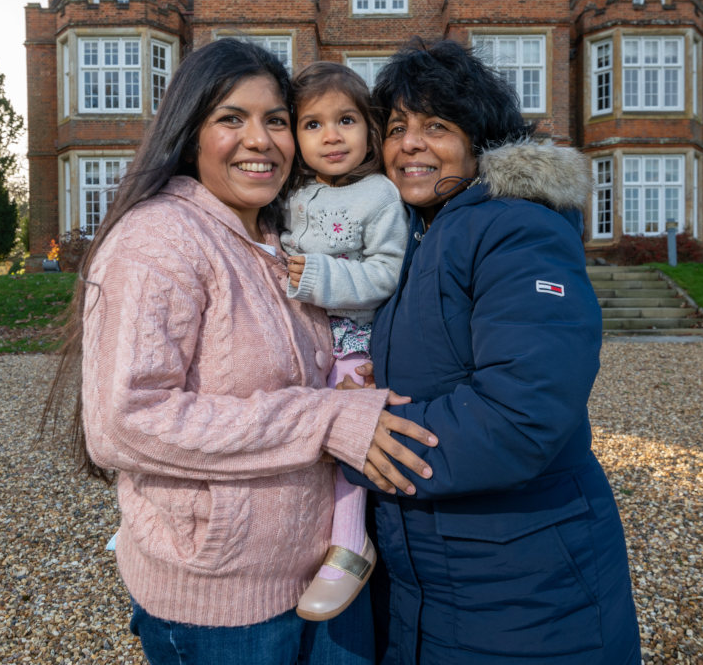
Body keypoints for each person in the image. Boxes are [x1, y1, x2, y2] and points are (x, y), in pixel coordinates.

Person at [41, 38, 438, 665]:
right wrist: (328, 418)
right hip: (223, 601)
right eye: (232, 118)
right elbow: (125, 423)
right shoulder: (159, 240)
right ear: (189, 130)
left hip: (326, 572)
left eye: (275, 120)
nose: (261, 140)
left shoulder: (279, 233)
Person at [342, 38, 641, 664]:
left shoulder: (515, 226)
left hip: (524, 588)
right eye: (396, 127)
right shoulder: (414, 234)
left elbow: (520, 414)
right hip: (424, 580)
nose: (410, 144)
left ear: (480, 141)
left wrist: (356, 438)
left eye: (437, 126)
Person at [281, 63, 409, 622]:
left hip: (354, 343)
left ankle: (351, 542)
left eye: (346, 120)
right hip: (300, 337)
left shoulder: (379, 193)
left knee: (349, 436)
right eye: (312, 124)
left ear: (369, 130)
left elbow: (387, 272)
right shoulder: (290, 192)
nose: (331, 135)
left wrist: (315, 278)